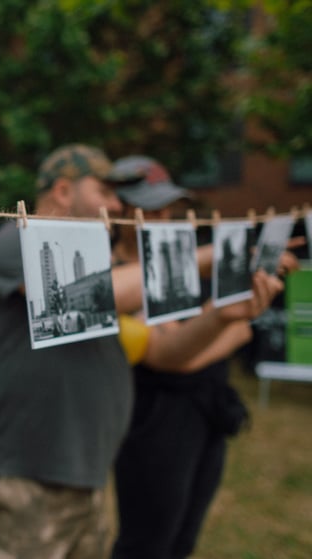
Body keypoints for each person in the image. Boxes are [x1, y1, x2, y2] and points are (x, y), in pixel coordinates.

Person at [0, 144, 138, 559]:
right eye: (104, 192)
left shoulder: (91, 258)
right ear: (63, 191)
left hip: (82, 473)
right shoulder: (14, 241)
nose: (116, 206)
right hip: (26, 470)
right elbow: (92, 294)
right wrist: (202, 261)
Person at [109, 155, 286, 559]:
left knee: (183, 540)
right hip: (152, 419)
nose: (162, 215)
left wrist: (217, 326)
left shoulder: (187, 263)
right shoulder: (117, 277)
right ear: (120, 209)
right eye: (149, 207)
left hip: (208, 410)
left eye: (165, 206)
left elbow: (241, 329)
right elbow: (171, 355)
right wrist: (220, 317)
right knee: (147, 541)